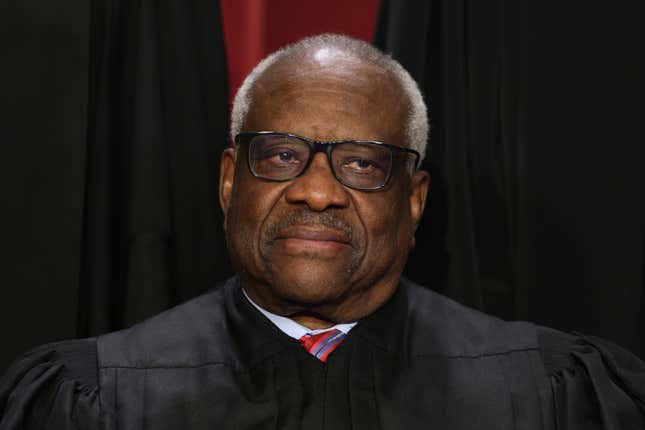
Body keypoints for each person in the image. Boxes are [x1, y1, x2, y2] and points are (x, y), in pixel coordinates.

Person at [1, 34, 644, 430]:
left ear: (414, 200)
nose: (317, 190)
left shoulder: (545, 396)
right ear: (230, 182)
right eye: (281, 155)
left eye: (363, 163)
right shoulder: (96, 399)